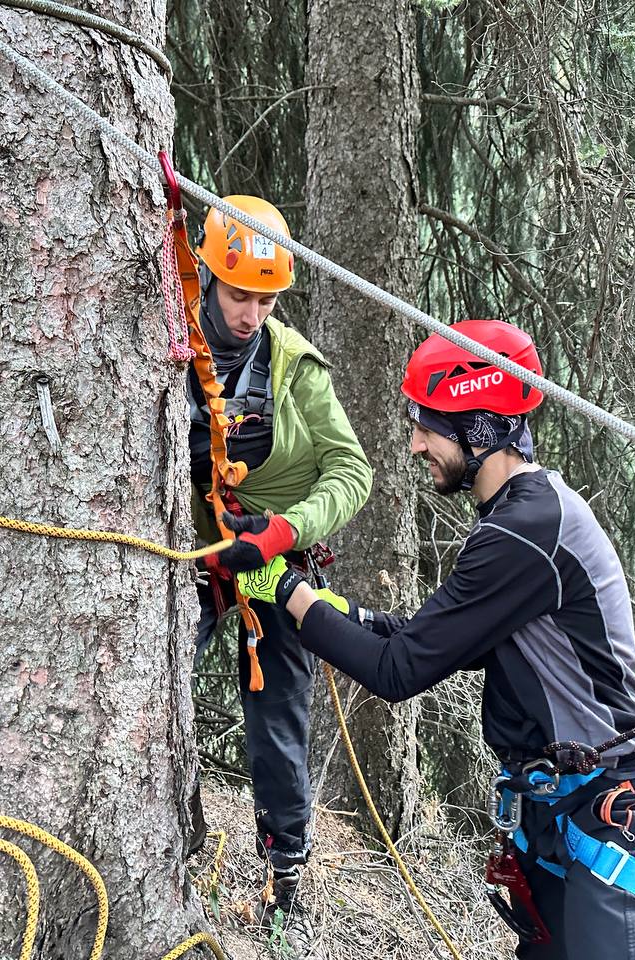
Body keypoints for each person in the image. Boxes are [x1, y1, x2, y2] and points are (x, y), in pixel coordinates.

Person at [235, 319, 635, 960]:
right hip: (563, 815)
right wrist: (319, 598)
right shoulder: (525, 516)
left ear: (479, 428)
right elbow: (429, 639)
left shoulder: (523, 534)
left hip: (599, 816)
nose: (416, 444)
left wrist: (287, 592)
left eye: (427, 425)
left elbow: (400, 672)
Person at [187, 195, 372, 918]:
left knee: (278, 715)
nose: (251, 314)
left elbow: (352, 472)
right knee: (154, 679)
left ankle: (284, 879)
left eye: (266, 299)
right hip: (201, 550)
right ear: (205, 276)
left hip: (274, 557)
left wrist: (285, 530)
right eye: (239, 295)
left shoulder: (296, 369)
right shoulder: (164, 345)